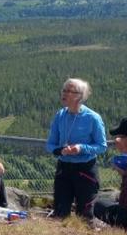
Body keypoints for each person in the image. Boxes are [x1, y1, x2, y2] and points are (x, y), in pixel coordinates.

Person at [45, 78, 107, 218]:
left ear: (80, 96)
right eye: (64, 90)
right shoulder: (60, 115)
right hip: (64, 168)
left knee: (85, 214)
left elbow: (102, 146)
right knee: (60, 211)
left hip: (85, 170)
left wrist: (81, 148)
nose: (64, 93)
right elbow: (50, 145)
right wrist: (60, 151)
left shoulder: (93, 118)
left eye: (69, 91)